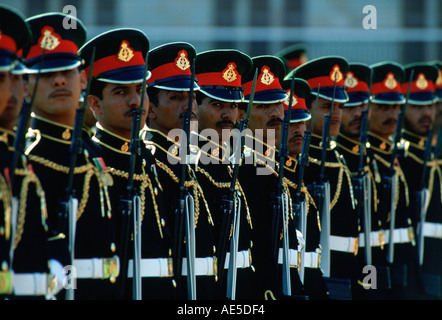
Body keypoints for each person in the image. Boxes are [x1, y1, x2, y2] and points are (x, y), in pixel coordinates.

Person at [23, 12, 118, 300]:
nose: (60, 82)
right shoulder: (28, 156)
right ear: (25, 86)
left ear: (82, 79)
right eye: (47, 75)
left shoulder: (91, 150)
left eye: (66, 72)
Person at [79, 28, 174, 300]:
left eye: (140, 90)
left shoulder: (146, 157)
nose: (135, 101)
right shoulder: (89, 160)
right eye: (120, 92)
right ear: (95, 104)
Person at [141, 42, 217, 300]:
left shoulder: (183, 158)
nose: (189, 107)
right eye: (176, 98)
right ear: (150, 108)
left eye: (192, 97)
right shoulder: (149, 161)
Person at [237, 55, 305, 300]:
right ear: (241, 113)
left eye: (279, 104)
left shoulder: (271, 163)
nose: (276, 113)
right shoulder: (244, 168)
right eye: (263, 106)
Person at [294, 56, 360, 300]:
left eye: (340, 106)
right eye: (326, 106)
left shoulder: (335, 155)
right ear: (306, 107)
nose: (335, 114)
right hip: (316, 275)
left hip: (346, 273)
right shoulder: (302, 161)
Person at [193, 48, 254, 299]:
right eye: (217, 104)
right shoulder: (190, 166)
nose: (228, 114)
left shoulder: (228, 165)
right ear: (194, 106)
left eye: (233, 105)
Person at [367, 61, 423, 299]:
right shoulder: (367, 158)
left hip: (404, 263)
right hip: (379, 264)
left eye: (395, 107)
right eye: (383, 107)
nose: (392, 114)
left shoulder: (396, 154)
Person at [337, 62, 392, 299]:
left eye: (362, 105)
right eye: (349, 107)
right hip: (341, 273)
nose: (358, 113)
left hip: (372, 267)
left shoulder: (371, 158)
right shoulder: (334, 161)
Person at [279, 77, 328, 300]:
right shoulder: (267, 176)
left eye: (301, 122)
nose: (298, 130)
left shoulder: (300, 174)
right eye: (288, 124)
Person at [397, 62, 441, 299]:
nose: (426, 113)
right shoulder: (400, 160)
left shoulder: (431, 158)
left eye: (430, 105)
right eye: (416, 106)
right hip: (411, 278)